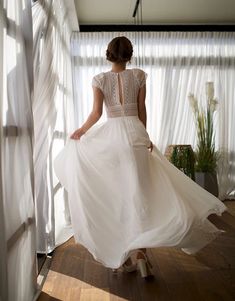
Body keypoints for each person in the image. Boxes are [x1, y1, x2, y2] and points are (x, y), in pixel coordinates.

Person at [54, 36, 227, 279]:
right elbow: (141, 107)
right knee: (141, 193)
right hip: (134, 135)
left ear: (108, 54)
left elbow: (96, 113)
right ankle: (142, 256)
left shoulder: (99, 79)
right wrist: (144, 136)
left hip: (112, 139)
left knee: (119, 196)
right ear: (130, 55)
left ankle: (122, 257)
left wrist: (81, 131)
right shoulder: (138, 75)